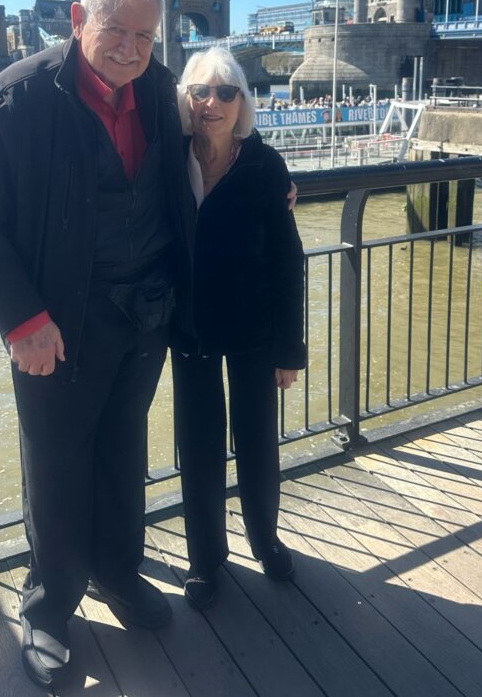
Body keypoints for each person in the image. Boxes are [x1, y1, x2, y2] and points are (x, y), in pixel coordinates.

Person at [0, 0, 196, 689]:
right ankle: (50, 604)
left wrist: (267, 182)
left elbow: (207, 149)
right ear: (78, 21)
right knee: (55, 465)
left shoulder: (157, 88)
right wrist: (22, 319)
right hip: (56, 327)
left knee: (123, 454)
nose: (129, 46)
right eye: (115, 28)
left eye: (144, 35)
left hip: (143, 315)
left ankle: (119, 574)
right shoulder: (16, 98)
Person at [171, 48, 306, 611]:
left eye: (226, 92)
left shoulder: (265, 166)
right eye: (200, 91)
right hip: (189, 329)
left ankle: (264, 539)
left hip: (253, 327)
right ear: (186, 99)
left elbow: (286, 259)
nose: (212, 103)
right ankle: (206, 560)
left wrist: (289, 349)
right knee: (198, 448)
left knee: (257, 443)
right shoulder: (168, 160)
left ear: (242, 103)